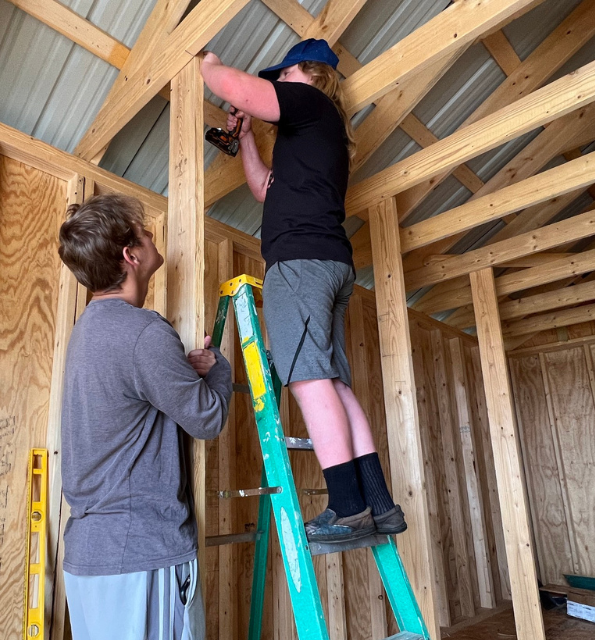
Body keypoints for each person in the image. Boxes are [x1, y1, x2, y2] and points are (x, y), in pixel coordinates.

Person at [200, 39, 406, 545]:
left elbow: (226, 83)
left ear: (309, 74)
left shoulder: (311, 103)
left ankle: (347, 507)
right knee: (332, 383)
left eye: (283, 75)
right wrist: (246, 137)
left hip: (300, 265)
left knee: (309, 381)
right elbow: (263, 188)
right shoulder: (316, 137)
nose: (278, 84)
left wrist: (206, 60)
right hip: (328, 265)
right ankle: (379, 505)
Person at [57, 193, 232, 640]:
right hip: (137, 557)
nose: (152, 235)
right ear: (130, 255)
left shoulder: (87, 331)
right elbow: (208, 419)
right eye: (142, 232)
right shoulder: (143, 333)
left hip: (92, 557)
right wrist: (218, 369)